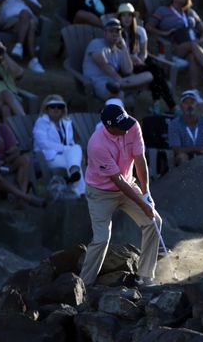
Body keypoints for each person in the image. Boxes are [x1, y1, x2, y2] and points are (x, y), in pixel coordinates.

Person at [80, 104, 161, 287]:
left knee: (153, 222)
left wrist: (146, 192)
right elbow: (117, 181)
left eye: (126, 123)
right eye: (120, 127)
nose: (126, 130)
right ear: (108, 127)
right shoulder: (97, 145)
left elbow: (139, 159)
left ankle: (145, 276)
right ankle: (83, 286)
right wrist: (142, 204)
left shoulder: (132, 126)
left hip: (128, 184)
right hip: (101, 193)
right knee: (101, 239)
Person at [146, 0, 203, 88]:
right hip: (173, 47)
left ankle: (194, 90)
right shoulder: (162, 11)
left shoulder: (191, 13)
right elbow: (149, 27)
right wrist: (164, 33)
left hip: (193, 45)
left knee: (192, 55)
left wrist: (201, 39)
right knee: (193, 45)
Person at [0, 96, 44, 207]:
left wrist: (4, 160)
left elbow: (14, 149)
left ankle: (20, 199)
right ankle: (25, 197)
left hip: (4, 164)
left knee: (24, 159)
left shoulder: (2, 128)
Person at [117, 3, 177, 115]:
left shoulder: (140, 31)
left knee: (157, 70)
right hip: (126, 63)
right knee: (156, 71)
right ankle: (171, 106)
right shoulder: (117, 33)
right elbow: (117, 53)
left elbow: (144, 52)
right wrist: (132, 59)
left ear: (133, 17)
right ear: (119, 18)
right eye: (124, 15)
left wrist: (140, 60)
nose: (127, 18)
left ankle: (158, 104)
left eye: (129, 15)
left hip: (140, 60)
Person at [82, 18, 153, 101]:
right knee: (119, 93)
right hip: (98, 83)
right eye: (111, 31)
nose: (114, 34)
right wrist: (121, 80)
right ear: (105, 33)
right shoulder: (96, 43)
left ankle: (120, 86)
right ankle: (120, 90)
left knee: (149, 75)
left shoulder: (119, 51)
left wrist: (124, 48)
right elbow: (104, 66)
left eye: (117, 31)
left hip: (117, 83)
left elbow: (128, 70)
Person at [32, 95, 85, 197]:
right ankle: (82, 192)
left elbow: (70, 142)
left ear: (63, 109)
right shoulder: (41, 122)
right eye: (52, 107)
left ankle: (79, 190)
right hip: (48, 158)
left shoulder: (66, 123)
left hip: (66, 156)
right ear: (47, 109)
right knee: (75, 161)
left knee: (76, 148)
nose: (56, 109)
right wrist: (66, 148)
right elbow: (43, 144)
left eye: (59, 106)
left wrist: (70, 149)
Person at [168, 89, 203, 166]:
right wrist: (197, 149)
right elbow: (176, 149)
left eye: (192, 102)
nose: (189, 106)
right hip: (184, 160)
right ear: (181, 106)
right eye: (186, 103)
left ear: (197, 105)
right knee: (182, 157)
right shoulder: (175, 124)